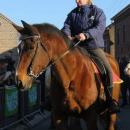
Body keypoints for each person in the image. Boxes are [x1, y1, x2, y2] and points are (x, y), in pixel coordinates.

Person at [61, 0, 120, 114]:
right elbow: (66, 26)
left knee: (108, 69)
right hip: (76, 48)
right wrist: (67, 34)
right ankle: (52, 98)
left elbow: (100, 27)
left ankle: (110, 100)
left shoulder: (98, 12)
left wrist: (86, 34)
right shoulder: (72, 14)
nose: (77, 1)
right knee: (58, 66)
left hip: (93, 47)